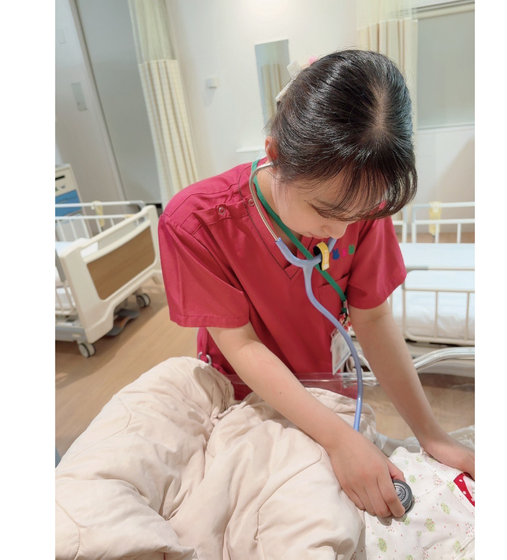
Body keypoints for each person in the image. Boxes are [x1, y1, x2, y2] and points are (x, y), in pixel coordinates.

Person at [157, 49, 474, 519]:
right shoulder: (196, 222)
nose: (342, 232)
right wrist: (337, 438)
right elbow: (241, 345)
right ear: (275, 156)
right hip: (243, 396)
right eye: (326, 212)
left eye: (359, 214)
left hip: (325, 386)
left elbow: (373, 317)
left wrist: (432, 435)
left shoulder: (361, 202)